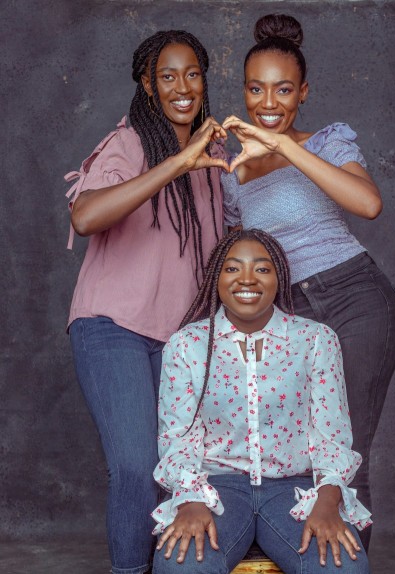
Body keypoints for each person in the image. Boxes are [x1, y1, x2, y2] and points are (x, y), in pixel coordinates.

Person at [220, 14, 395, 551]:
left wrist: (282, 148)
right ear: (245, 92)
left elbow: (368, 204)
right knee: (301, 451)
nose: (268, 102)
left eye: (283, 89)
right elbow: (241, 257)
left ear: (303, 92)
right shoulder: (233, 172)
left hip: (356, 299)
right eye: (256, 89)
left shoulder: (329, 140)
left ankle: (348, 565)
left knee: (344, 452)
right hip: (293, 316)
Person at [64, 30, 228, 574]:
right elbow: (85, 217)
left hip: (180, 337)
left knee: (178, 469)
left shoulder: (214, 150)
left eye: (192, 74)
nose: (182, 87)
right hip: (114, 326)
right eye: (167, 76)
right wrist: (176, 166)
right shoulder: (129, 143)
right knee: (136, 467)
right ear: (147, 85)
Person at [151, 229, 372, 574]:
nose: (247, 279)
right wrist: (190, 498)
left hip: (293, 488)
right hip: (217, 487)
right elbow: (178, 436)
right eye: (233, 268)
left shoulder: (314, 340)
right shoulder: (188, 344)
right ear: (216, 278)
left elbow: (332, 434)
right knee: (179, 565)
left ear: (279, 277)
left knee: (344, 567)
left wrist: (329, 500)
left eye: (263, 269)